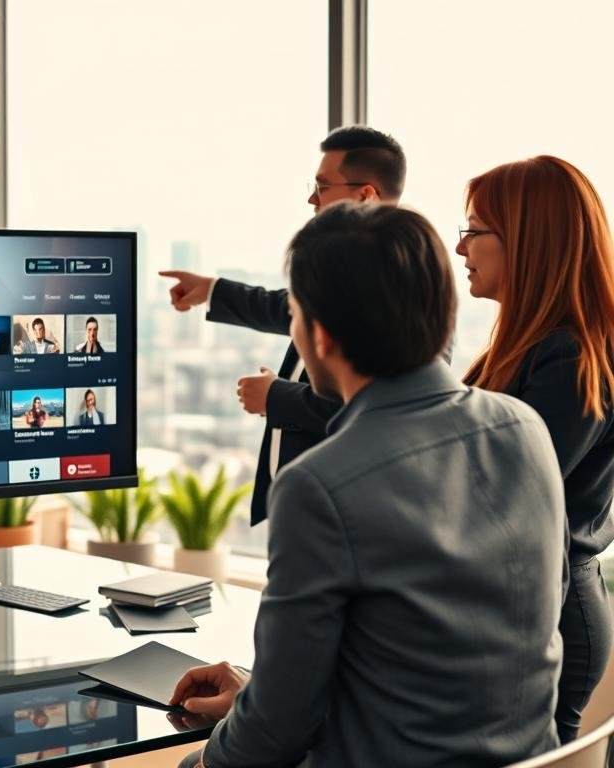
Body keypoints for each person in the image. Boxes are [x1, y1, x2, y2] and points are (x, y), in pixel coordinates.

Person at [170, 203, 566, 768]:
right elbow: (426, 656)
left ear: (321, 338)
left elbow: (277, 734)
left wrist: (217, 752)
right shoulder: (524, 429)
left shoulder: (319, 484)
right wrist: (257, 697)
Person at [159, 125, 407, 525]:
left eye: (323, 187)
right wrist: (212, 290)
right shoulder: (356, 268)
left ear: (364, 196)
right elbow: (291, 308)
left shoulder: (403, 285)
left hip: (342, 517)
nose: (312, 199)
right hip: (310, 512)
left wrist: (277, 398)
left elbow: (384, 409)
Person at [456, 155, 614, 742]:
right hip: (524, 606)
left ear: (528, 240)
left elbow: (494, 496)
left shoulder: (570, 358)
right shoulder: (525, 348)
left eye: (474, 230)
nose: (460, 248)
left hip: (543, 613)